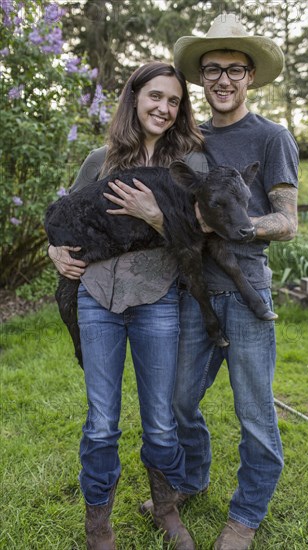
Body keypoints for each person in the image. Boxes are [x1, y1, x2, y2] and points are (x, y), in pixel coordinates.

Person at [139, 13, 299, 550]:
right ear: (201, 78)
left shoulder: (271, 138)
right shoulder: (185, 139)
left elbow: (289, 221)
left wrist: (235, 224)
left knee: (254, 413)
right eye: (212, 69)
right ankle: (191, 478)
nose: (223, 79)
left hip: (246, 291)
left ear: (250, 76)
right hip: (192, 293)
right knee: (182, 400)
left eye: (234, 69)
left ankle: (246, 514)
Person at [48, 61, 205, 550]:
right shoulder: (99, 159)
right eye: (155, 96)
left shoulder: (188, 166)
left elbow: (198, 239)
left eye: (173, 101)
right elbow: (67, 214)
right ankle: (99, 524)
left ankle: (165, 508)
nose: (163, 107)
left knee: (160, 419)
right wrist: (54, 250)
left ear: (180, 110)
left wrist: (155, 216)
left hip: (156, 299)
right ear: (134, 98)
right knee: (101, 422)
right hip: (97, 299)